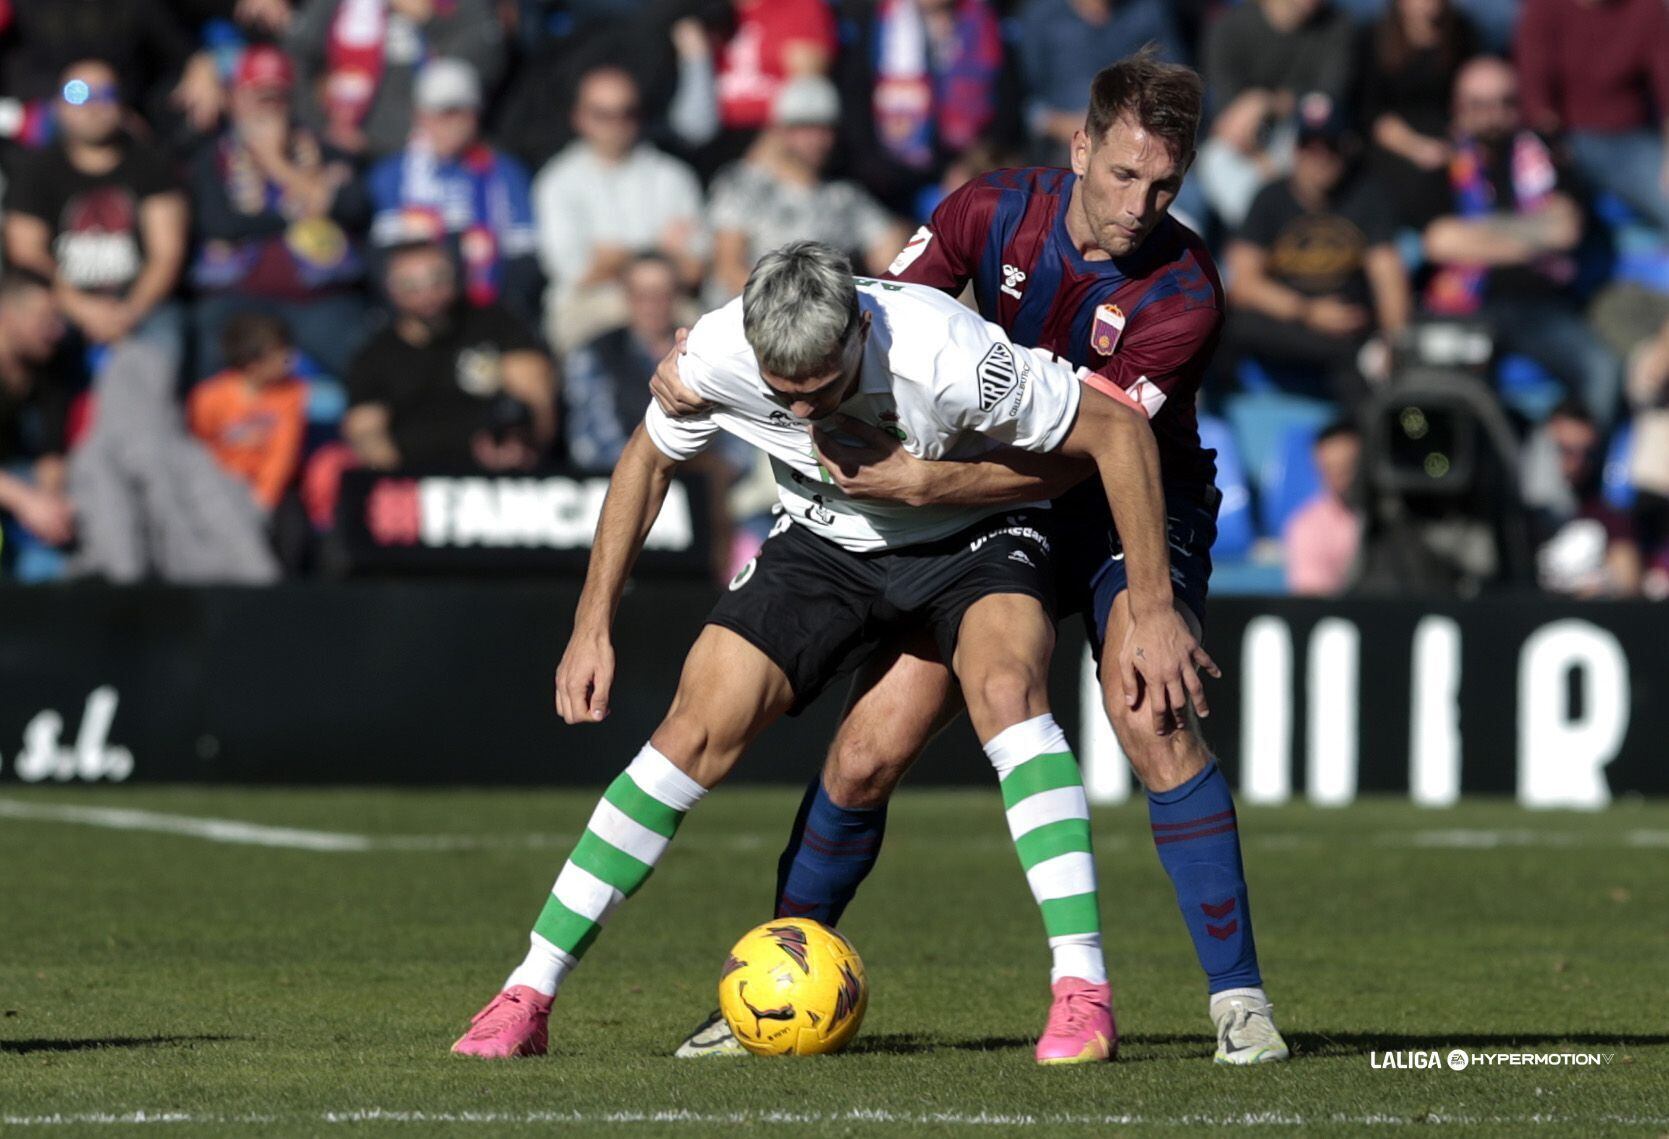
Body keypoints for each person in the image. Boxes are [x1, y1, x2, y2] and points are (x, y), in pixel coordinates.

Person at [657, 51, 1290, 1066]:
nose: (1139, 205)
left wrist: (1155, 602)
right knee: (867, 750)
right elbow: (868, 320)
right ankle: (771, 983)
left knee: (1150, 713)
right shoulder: (988, 212)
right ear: (1079, 147)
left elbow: (1092, 455)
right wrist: (719, 346)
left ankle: (1238, 1002)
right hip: (981, 506)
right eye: (1123, 175)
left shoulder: (1185, 292)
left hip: (1127, 504)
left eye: (1163, 185)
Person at [451, 241, 1209, 1065]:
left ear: (858, 327)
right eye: (786, 397)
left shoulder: (949, 354)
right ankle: (526, 993)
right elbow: (647, 457)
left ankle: (1081, 992)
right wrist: (591, 621)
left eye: (822, 390)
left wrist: (928, 485)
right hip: (821, 542)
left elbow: (1113, 435)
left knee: (1005, 689)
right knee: (690, 732)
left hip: (976, 540)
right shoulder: (715, 350)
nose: (805, 414)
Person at [1421, 57, 1623, 428]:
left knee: (1603, 369)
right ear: (1457, 108)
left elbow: (1565, 231)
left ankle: (1575, 476)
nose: (1492, 115)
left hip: (1541, 307)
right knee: (1431, 393)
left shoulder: (1549, 157)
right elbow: (1439, 242)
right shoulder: (1440, 164)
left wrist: (1477, 235)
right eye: (1478, 104)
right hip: (1466, 306)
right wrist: (1532, 234)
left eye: (1505, 102)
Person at [188, 44, 371, 380]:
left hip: (318, 297)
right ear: (234, 99)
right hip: (237, 295)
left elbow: (354, 209)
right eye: (257, 96)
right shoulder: (212, 157)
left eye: (277, 97)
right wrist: (308, 206)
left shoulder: (326, 151)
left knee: (363, 363)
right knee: (210, 358)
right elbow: (221, 224)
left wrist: (277, 164)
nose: (267, 107)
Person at [1221, 97, 1409, 413]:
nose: (1320, 157)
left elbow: (1388, 274)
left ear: (1346, 148)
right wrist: (1307, 311)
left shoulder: (1367, 196)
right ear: (1295, 149)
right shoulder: (1270, 197)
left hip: (1346, 330)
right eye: (1310, 145)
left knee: (1360, 362)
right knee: (1213, 321)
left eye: (1331, 146)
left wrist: (1396, 341)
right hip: (1286, 319)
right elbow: (1243, 283)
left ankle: (1363, 447)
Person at [2, 59, 188, 362]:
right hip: (60, 304)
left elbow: (167, 254)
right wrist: (81, 309)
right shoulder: (35, 170)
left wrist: (128, 313)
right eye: (78, 94)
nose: (92, 105)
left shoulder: (153, 165)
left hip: (141, 307)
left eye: (105, 94)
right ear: (58, 106)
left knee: (155, 354)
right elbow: (26, 254)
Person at [532, 66, 707, 354]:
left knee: (713, 339)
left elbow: (693, 268)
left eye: (626, 113)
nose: (616, 124)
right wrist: (658, 249)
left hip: (669, 300)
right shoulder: (557, 181)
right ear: (579, 117)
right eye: (603, 115)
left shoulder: (673, 176)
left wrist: (612, 258)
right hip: (590, 303)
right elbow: (575, 272)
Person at [343, 241, 555, 473]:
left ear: (456, 276)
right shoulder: (374, 356)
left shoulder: (496, 324)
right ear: (390, 289)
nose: (427, 293)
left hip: (503, 473)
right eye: (411, 285)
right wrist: (401, 482)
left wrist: (521, 442)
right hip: (418, 479)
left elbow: (536, 398)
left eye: (437, 279)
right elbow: (366, 432)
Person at [366, 58, 542, 328]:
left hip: (491, 299)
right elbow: (385, 257)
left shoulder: (505, 171)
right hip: (416, 305)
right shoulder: (393, 173)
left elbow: (525, 255)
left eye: (459, 112)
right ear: (419, 116)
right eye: (439, 113)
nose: (449, 124)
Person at [706, 77, 907, 303]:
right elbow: (728, 266)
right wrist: (789, 310)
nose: (816, 140)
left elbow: (890, 252)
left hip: (823, 325)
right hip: (747, 317)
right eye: (803, 128)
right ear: (779, 131)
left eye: (824, 129)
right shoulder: (742, 184)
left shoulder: (843, 197)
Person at [834, 0, 1018, 218]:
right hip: (889, 173)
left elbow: (1009, 101)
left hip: (968, 167)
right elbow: (855, 97)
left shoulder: (987, 22)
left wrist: (974, 164)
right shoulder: (877, 20)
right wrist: (877, 167)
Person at [1514, 0, 1669, 234]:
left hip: (1630, 141)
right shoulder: (1545, 7)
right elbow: (1536, 96)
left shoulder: (1646, 9)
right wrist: (1553, 153)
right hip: (1565, 142)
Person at [1196, 0, 1355, 228]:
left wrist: (1267, 102)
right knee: (1215, 161)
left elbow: (1327, 98)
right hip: (1242, 148)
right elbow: (1229, 121)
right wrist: (1263, 162)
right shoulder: (1229, 26)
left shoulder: (1337, 25)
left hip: (1302, 138)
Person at [285, 0, 506, 160]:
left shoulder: (464, 10)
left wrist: (431, 20)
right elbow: (296, 59)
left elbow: (487, 60)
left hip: (435, 154)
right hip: (354, 154)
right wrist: (322, 128)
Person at [1356, 0, 1479, 230]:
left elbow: (1470, 97)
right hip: (1395, 144)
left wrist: (1458, 141)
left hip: (1450, 138)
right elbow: (1370, 113)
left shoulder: (1463, 33)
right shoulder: (1373, 38)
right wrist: (1417, 148)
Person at [1017, 0, 1185, 162]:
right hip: (1064, 143)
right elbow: (1025, 97)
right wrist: (1059, 124)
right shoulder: (1042, 15)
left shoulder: (1147, 10)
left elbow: (1173, 83)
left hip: (1140, 135)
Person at [188, 312, 307, 515]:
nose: (289, 359)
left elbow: (283, 454)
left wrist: (262, 499)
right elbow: (199, 448)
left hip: (270, 491)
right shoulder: (208, 397)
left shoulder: (292, 394)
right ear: (253, 367)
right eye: (279, 354)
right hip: (220, 486)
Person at [1522, 400, 1642, 597]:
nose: (1576, 464)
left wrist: (1598, 585)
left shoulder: (1607, 513)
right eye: (1564, 450)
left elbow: (1629, 582)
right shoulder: (1508, 511)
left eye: (1585, 454)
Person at [0, 272, 75, 578]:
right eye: (44, 320)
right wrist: (26, 501)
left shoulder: (48, 369)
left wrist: (49, 503)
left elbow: (51, 451)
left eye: (58, 320)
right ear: (6, 318)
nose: (56, 331)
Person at [1283, 420, 1362, 596]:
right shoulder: (1306, 526)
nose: (1342, 482)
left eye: (1348, 468)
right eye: (1330, 470)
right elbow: (1312, 601)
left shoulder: (1403, 516)